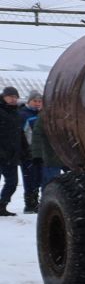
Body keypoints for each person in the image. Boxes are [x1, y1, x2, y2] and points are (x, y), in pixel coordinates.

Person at [22, 93, 58, 212]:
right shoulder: (24, 115)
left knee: (45, 179)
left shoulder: (46, 115)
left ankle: (42, 204)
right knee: (32, 180)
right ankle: (31, 204)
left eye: (39, 101)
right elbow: (29, 136)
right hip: (30, 153)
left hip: (45, 154)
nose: (37, 103)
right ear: (29, 101)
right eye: (35, 101)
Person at [0, 87, 24, 216]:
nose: (13, 99)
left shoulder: (16, 113)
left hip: (11, 155)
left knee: (12, 182)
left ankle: (2, 205)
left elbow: (19, 134)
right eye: (10, 96)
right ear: (4, 97)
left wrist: (25, 151)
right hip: (1, 153)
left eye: (15, 97)